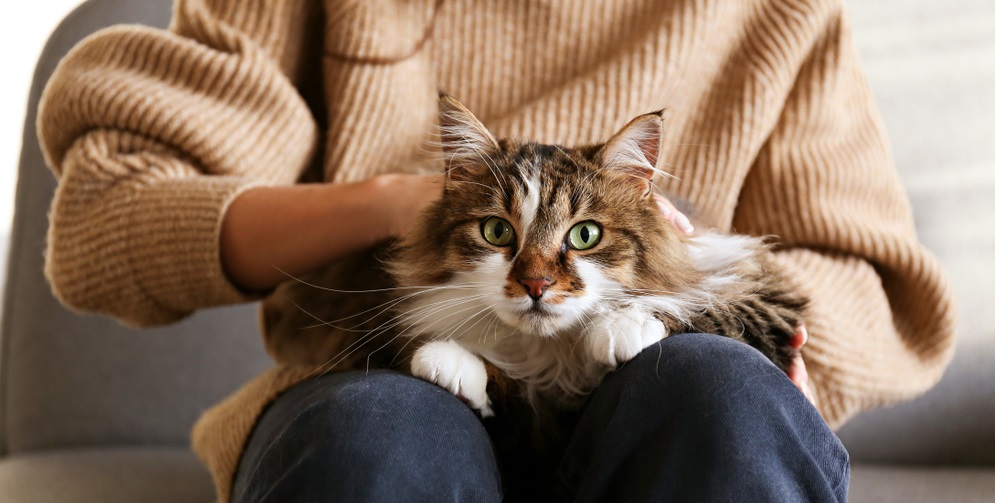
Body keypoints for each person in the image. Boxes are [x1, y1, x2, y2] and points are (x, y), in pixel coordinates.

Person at [36, 0, 955, 501]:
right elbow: (105, 221)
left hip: (655, 380)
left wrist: (714, 307)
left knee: (720, 400)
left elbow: (880, 293)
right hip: (403, 379)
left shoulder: (781, 13)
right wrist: (398, 200)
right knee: (375, 436)